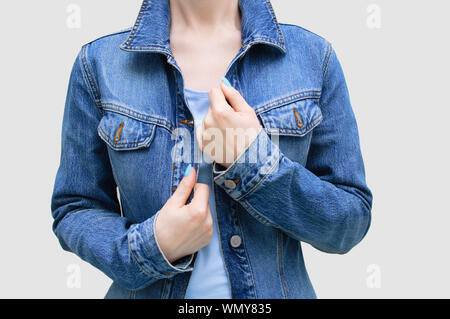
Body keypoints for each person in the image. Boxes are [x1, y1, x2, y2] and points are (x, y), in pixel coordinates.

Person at [51, 0, 373, 299]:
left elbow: (349, 223)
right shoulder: (99, 65)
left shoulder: (313, 58)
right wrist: (152, 246)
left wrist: (254, 163)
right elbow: (74, 208)